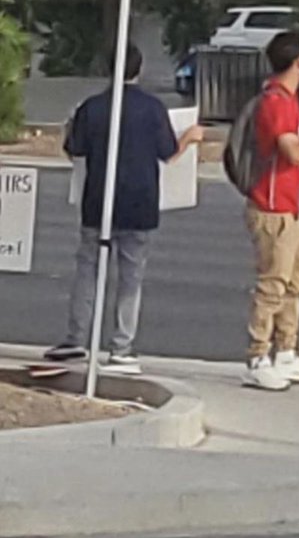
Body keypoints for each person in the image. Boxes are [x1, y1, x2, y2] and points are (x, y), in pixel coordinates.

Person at [45, 43, 203, 375]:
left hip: (98, 199)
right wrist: (189, 137)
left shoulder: (92, 108)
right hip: (139, 201)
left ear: (107, 67)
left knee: (88, 270)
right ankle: (121, 347)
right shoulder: (152, 108)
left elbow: (74, 149)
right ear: (139, 69)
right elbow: (168, 153)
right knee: (131, 276)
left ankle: (77, 338)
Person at [244, 31, 299, 391]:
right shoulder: (277, 102)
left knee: (294, 282)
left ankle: (286, 351)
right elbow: (291, 152)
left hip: (290, 206)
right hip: (272, 204)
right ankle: (258, 355)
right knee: (273, 284)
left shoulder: (288, 100)